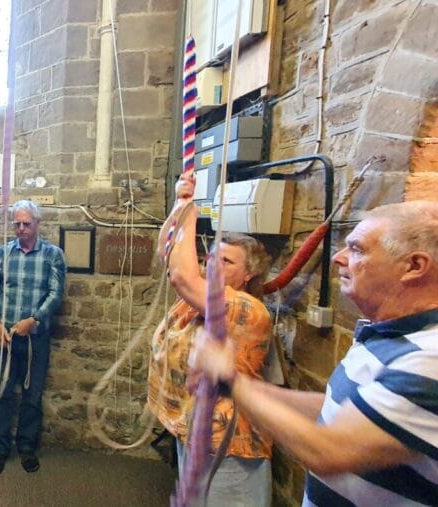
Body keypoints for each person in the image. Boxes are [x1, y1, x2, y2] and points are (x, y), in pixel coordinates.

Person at [191, 200, 438, 506]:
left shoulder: (429, 359)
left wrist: (232, 382)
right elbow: (336, 408)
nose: (338, 258)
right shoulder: (386, 336)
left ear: (414, 266)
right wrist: (243, 386)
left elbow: (330, 451)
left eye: (358, 249)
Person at [150, 176, 274, 506]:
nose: (213, 265)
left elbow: (180, 275)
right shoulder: (200, 299)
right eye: (212, 256)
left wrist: (191, 211)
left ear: (249, 274)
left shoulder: (245, 307)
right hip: (194, 431)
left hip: (228, 444)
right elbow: (168, 255)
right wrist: (181, 203)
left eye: (227, 261)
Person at [0, 199, 66, 475]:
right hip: (3, 338)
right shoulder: (2, 253)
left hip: (35, 339)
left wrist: (34, 320)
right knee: (1, 393)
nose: (20, 229)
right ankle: (0, 447)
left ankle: (27, 447)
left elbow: (56, 294)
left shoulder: (53, 255)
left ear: (38, 223)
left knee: (33, 395)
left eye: (26, 224)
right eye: (16, 224)